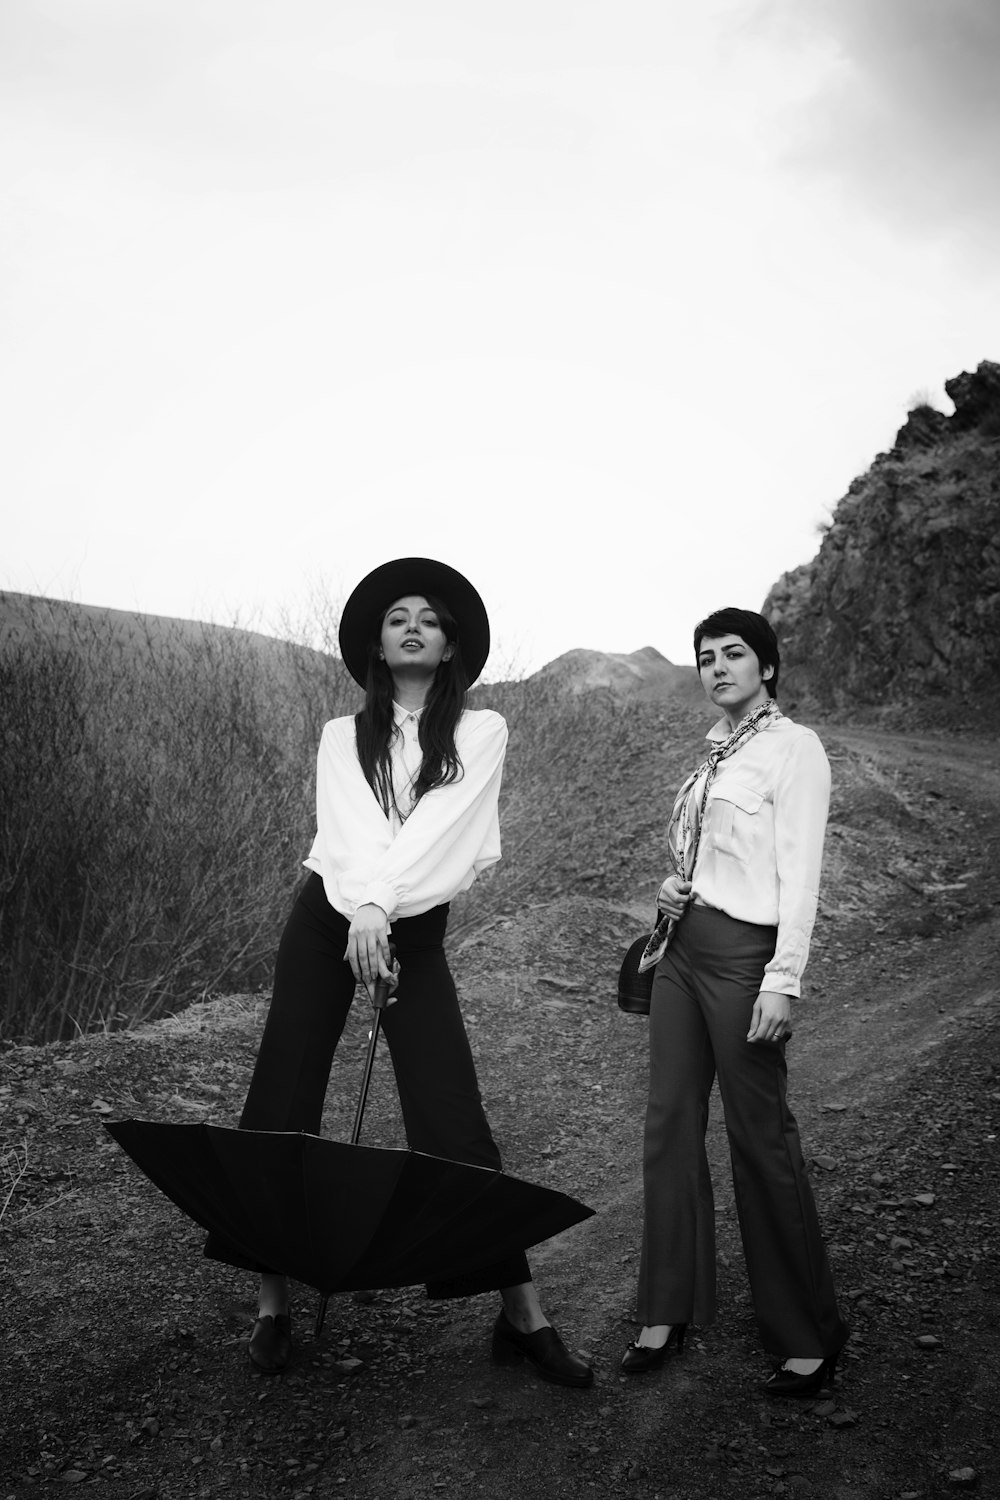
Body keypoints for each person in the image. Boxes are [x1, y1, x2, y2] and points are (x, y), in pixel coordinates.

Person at [208, 557, 592, 1389]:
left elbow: (438, 835)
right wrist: (361, 913)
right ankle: (272, 1302)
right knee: (282, 1097)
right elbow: (349, 835)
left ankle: (522, 1317)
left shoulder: (482, 731)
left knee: (452, 1113)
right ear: (378, 650)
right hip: (326, 920)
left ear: (450, 647)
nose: (412, 625)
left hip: (408, 927)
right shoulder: (340, 737)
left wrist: (381, 913)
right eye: (396, 618)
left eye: (429, 617)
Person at [622, 607, 849, 1396]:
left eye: (734, 654)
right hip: (683, 951)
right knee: (668, 1125)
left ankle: (806, 1332)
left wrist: (784, 979)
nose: (717, 666)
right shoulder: (714, 754)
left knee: (759, 1136)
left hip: (748, 960)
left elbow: (800, 875)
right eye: (705, 656)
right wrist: (672, 884)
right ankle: (665, 1311)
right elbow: (706, 853)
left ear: (768, 666)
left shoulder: (795, 751)